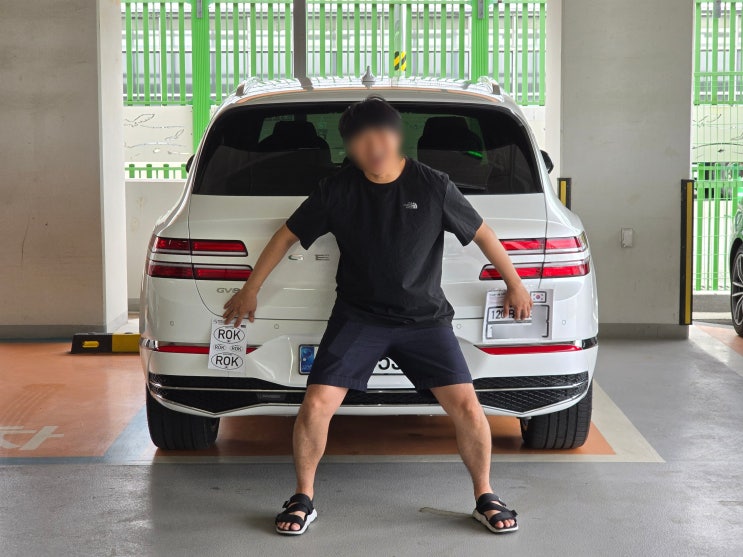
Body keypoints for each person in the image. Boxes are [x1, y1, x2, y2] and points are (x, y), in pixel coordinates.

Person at [223, 97, 532, 536]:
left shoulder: (433, 185)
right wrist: (250, 289)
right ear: (349, 146)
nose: (374, 146)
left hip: (425, 320)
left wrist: (515, 283)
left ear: (396, 136)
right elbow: (285, 236)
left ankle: (486, 496)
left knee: (467, 405)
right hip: (359, 319)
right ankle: (302, 497)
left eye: (382, 134)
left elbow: (482, 233)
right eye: (362, 139)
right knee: (316, 404)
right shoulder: (337, 189)